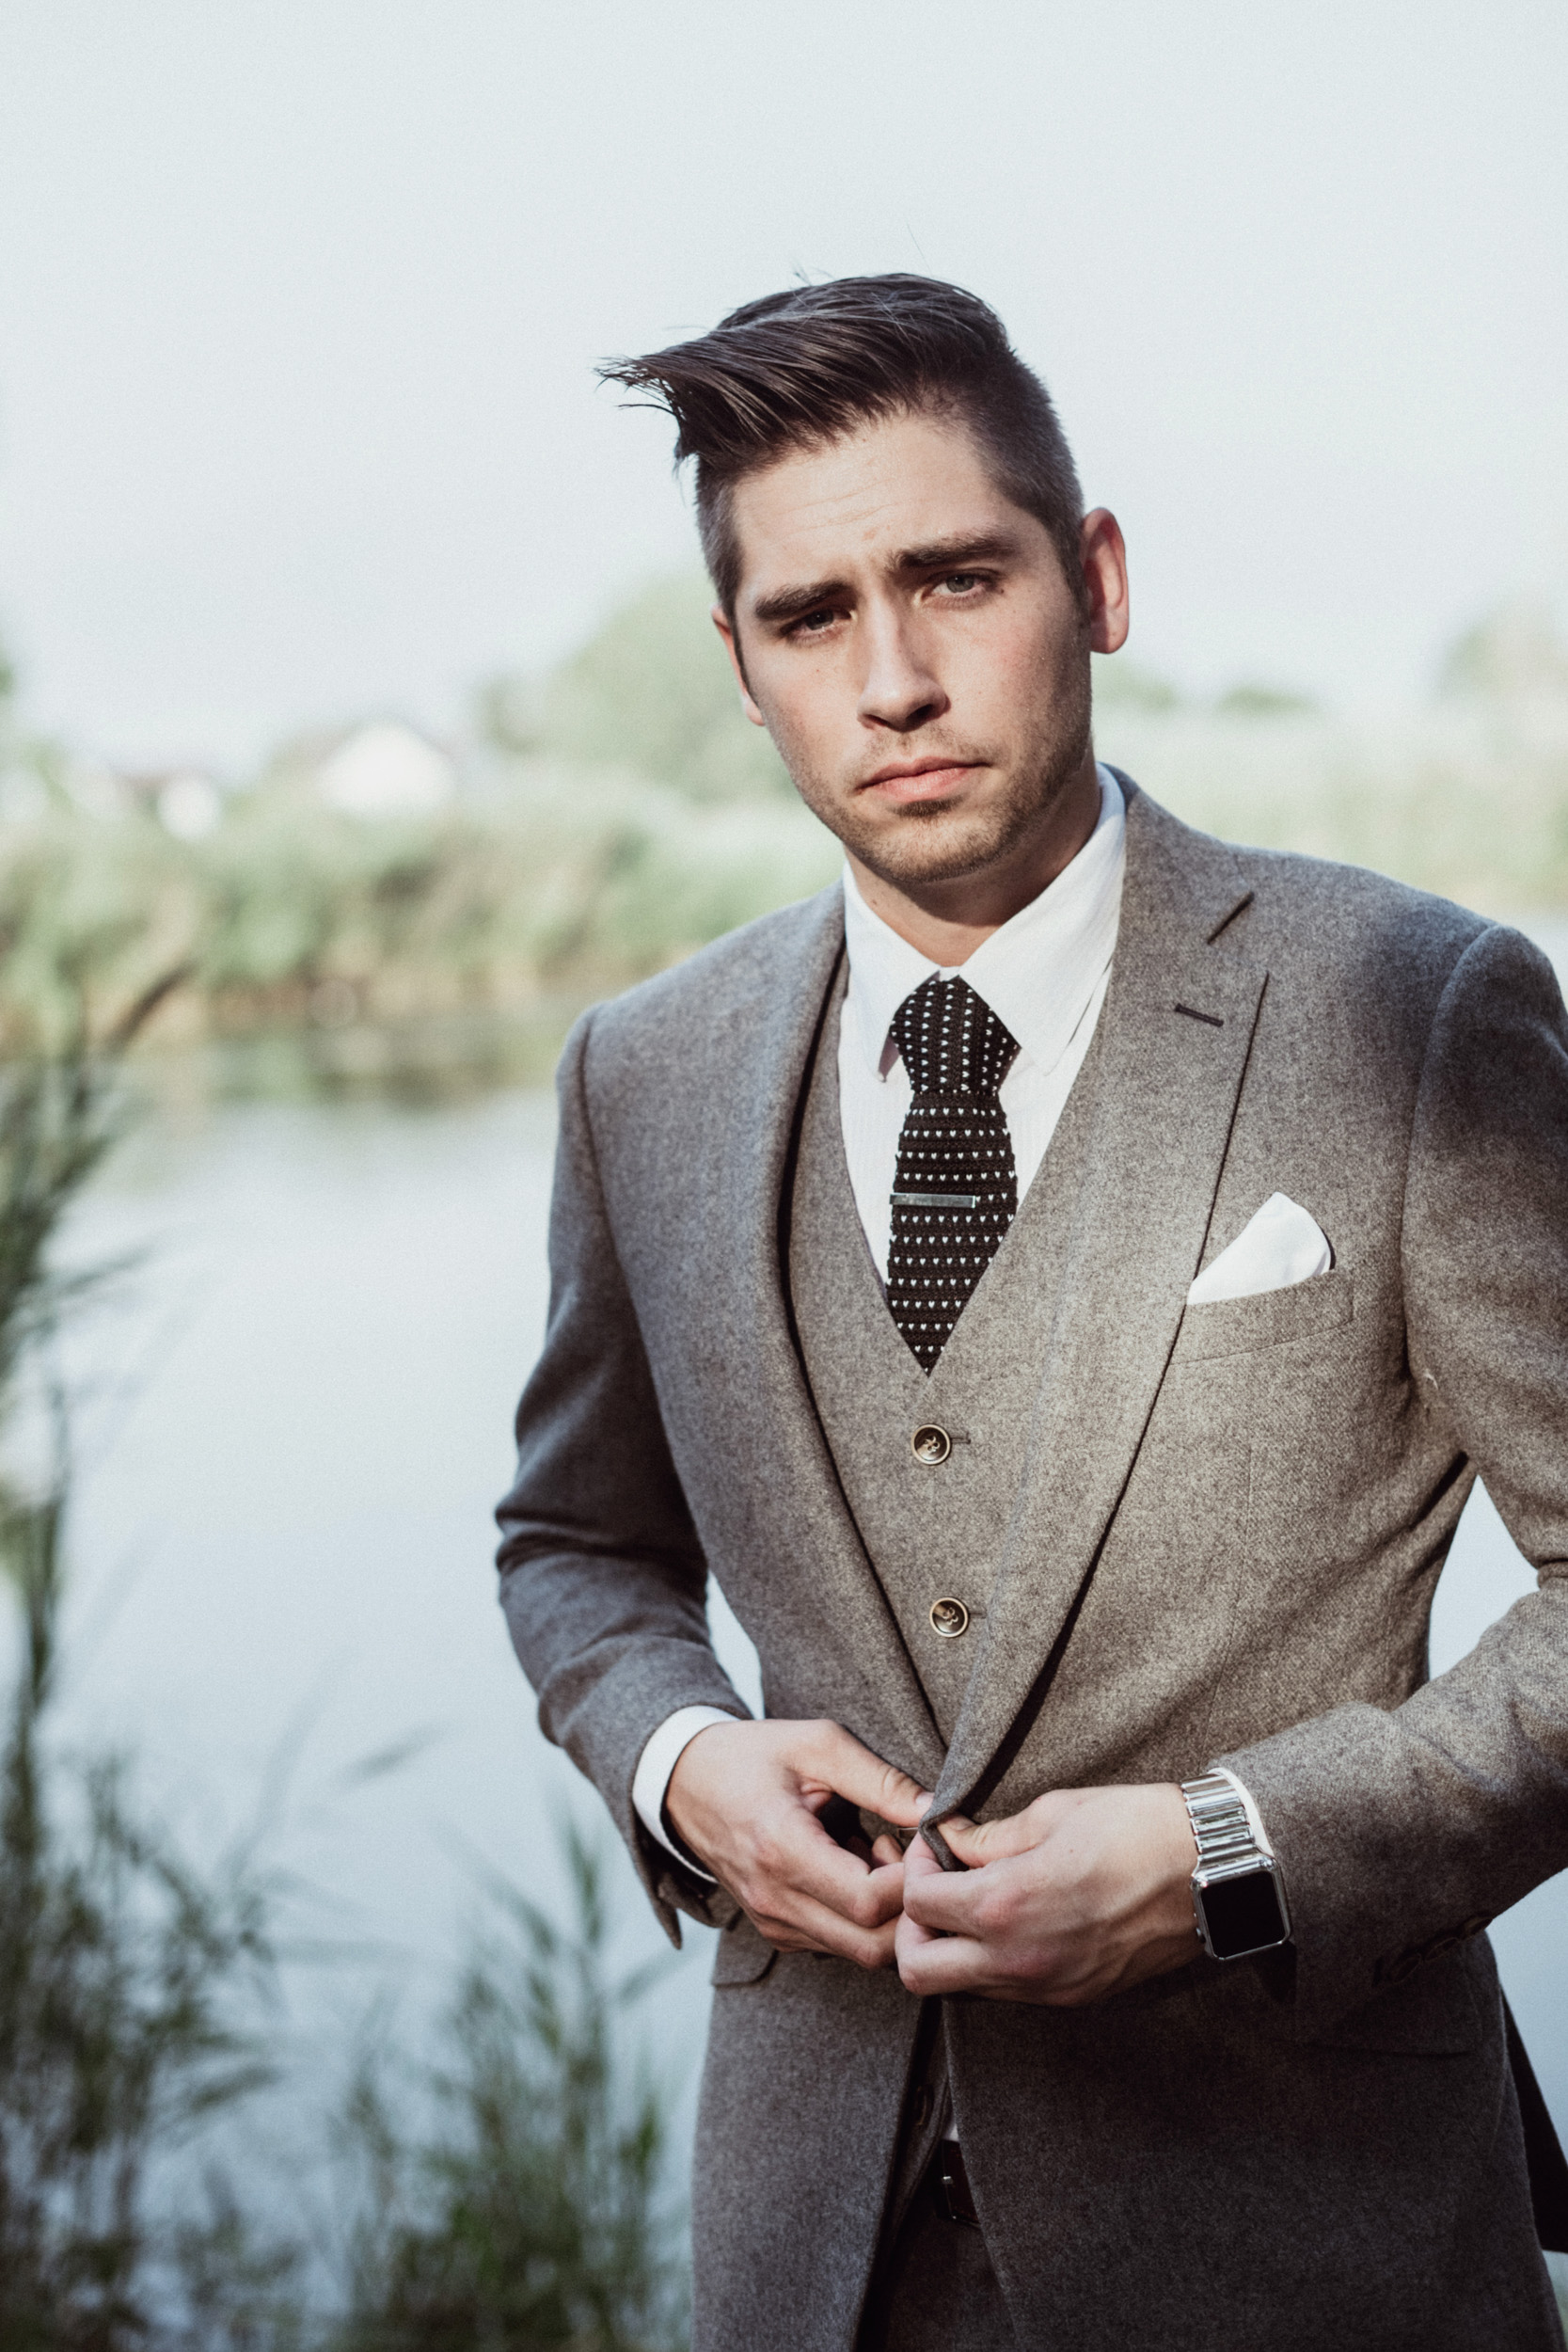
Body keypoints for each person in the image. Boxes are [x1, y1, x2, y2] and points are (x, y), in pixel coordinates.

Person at [496, 275, 1568, 2350]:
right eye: (811, 616)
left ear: (1093, 579)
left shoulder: (1409, 1007)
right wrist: (679, 1757)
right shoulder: (646, 1069)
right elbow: (577, 1544)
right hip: (818, 2262)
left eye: (952, 578)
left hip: (1315, 2248)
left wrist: (1240, 1849)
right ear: (740, 667)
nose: (891, 677)